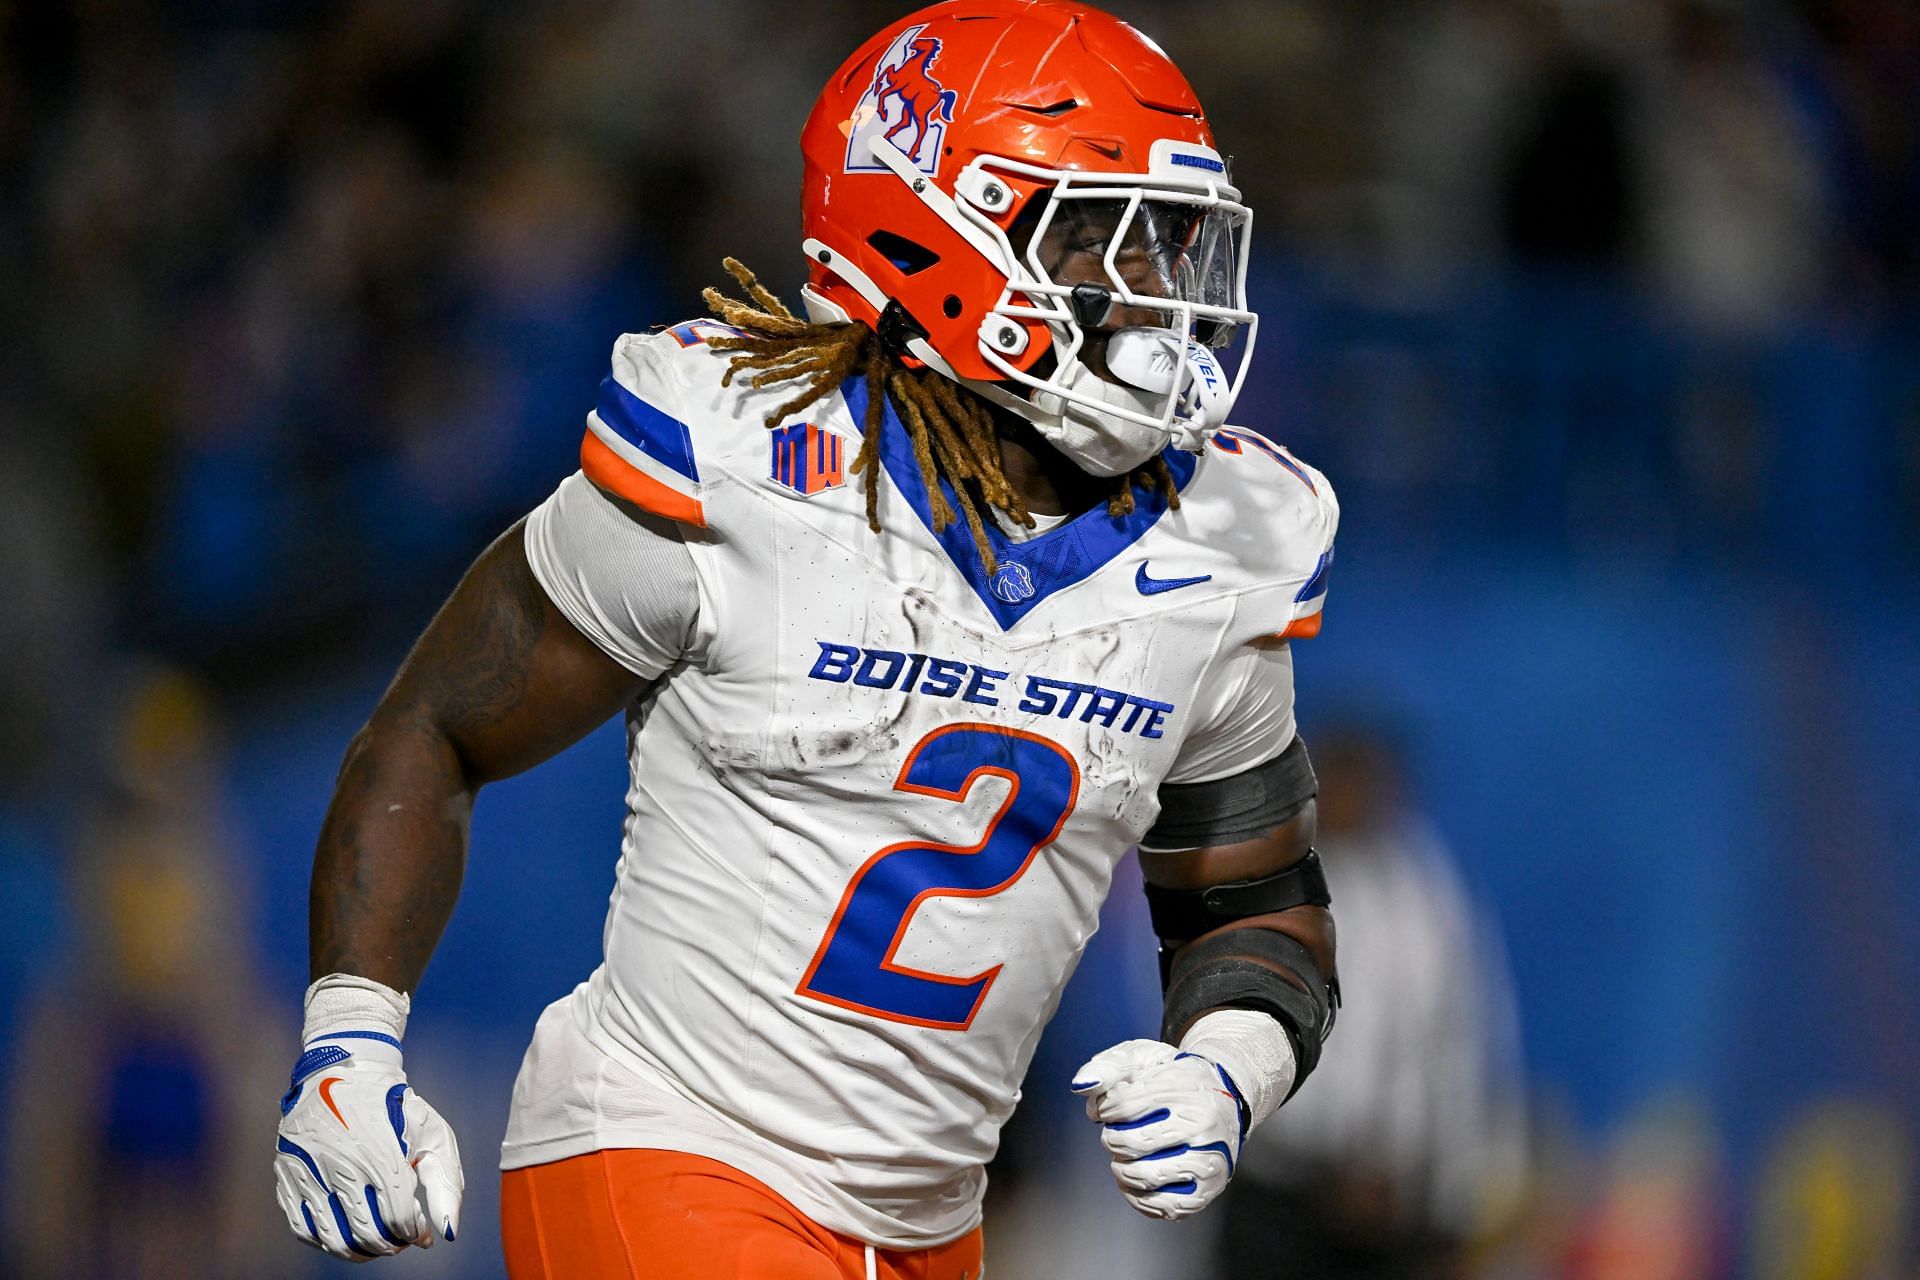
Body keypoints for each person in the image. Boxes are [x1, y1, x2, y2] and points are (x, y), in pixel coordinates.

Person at [271, 4, 1344, 1276]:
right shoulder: (744, 456)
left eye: (1170, 243)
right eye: (1099, 238)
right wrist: (350, 1039)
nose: (1158, 297)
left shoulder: (1226, 541)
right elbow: (440, 723)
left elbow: (1254, 894)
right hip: (664, 1142)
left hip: (927, 1223)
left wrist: (1231, 1064)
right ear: (934, 230)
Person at [1212, 726, 1527, 1280]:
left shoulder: (1425, 892)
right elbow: (1223, 1032)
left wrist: (1460, 1184)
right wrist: (1326, 1162)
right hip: (1282, 1190)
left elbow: (1464, 1038)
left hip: (1396, 1199)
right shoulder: (1258, 883)